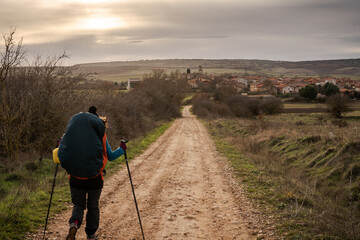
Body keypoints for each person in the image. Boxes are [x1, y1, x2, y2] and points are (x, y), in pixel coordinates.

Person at [59, 106, 127, 240]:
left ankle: (74, 224)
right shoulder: (100, 134)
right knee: (93, 206)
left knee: (78, 205)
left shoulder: (72, 133)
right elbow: (111, 156)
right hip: (95, 178)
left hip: (75, 177)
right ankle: (90, 234)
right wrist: (122, 149)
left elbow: (63, 150)